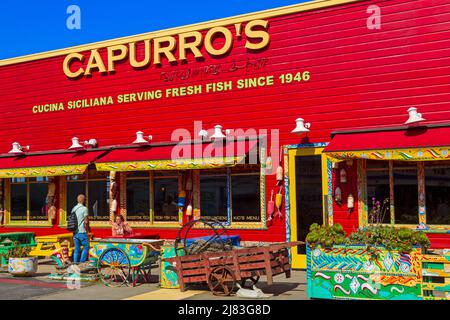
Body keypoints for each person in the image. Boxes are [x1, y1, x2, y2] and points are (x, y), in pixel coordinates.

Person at [72, 194, 90, 265]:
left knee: (77, 249)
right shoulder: (84, 209)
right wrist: (88, 229)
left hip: (75, 232)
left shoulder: (74, 208)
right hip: (82, 231)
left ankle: (75, 264)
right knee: (86, 246)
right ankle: (82, 262)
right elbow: (86, 221)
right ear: (83, 200)